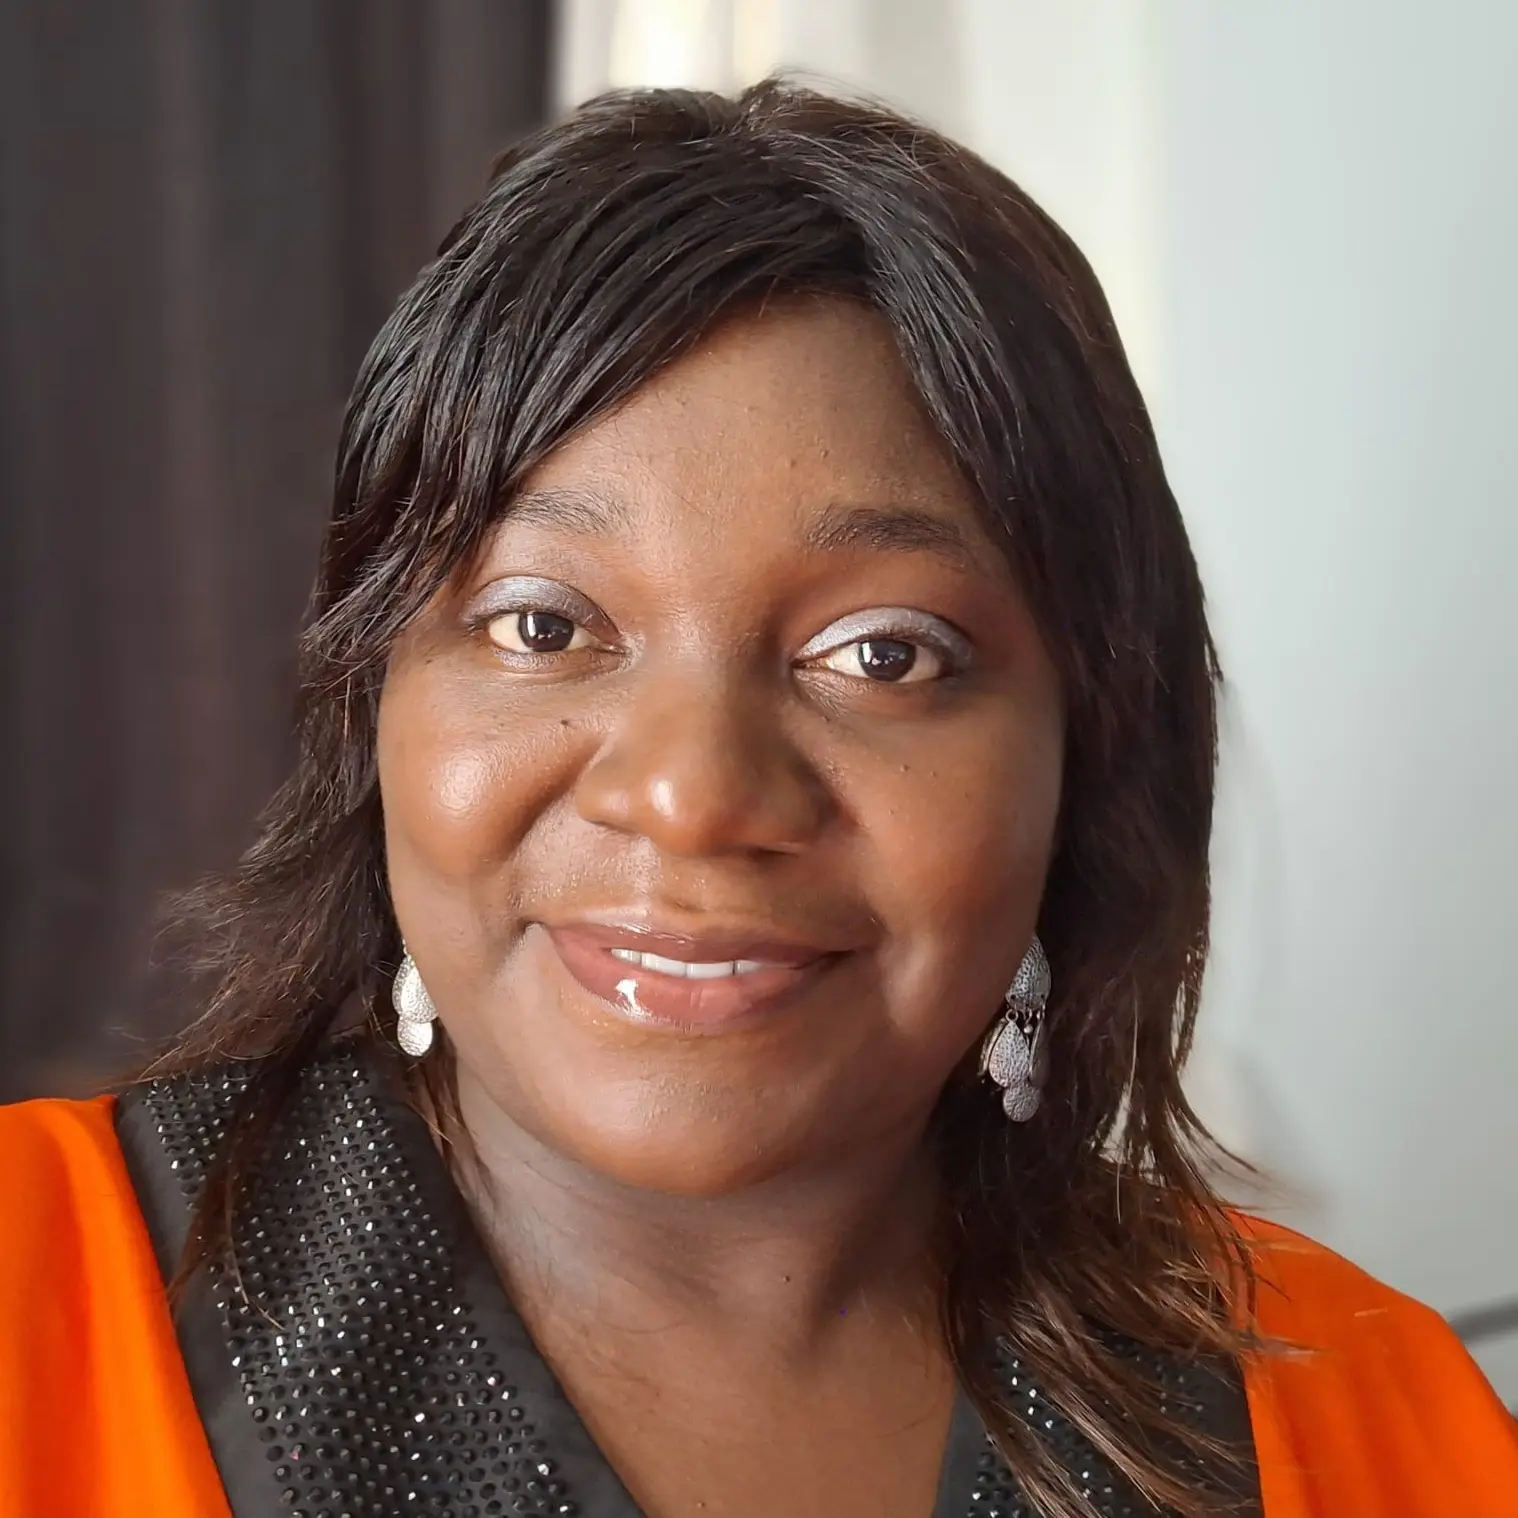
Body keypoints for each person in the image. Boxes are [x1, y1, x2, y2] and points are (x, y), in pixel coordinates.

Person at [1, 82, 1513, 1518]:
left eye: (882, 653)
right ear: (369, 702)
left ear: (1090, 752)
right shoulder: (36, 1291)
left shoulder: (1373, 1418)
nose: (693, 796)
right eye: (543, 623)